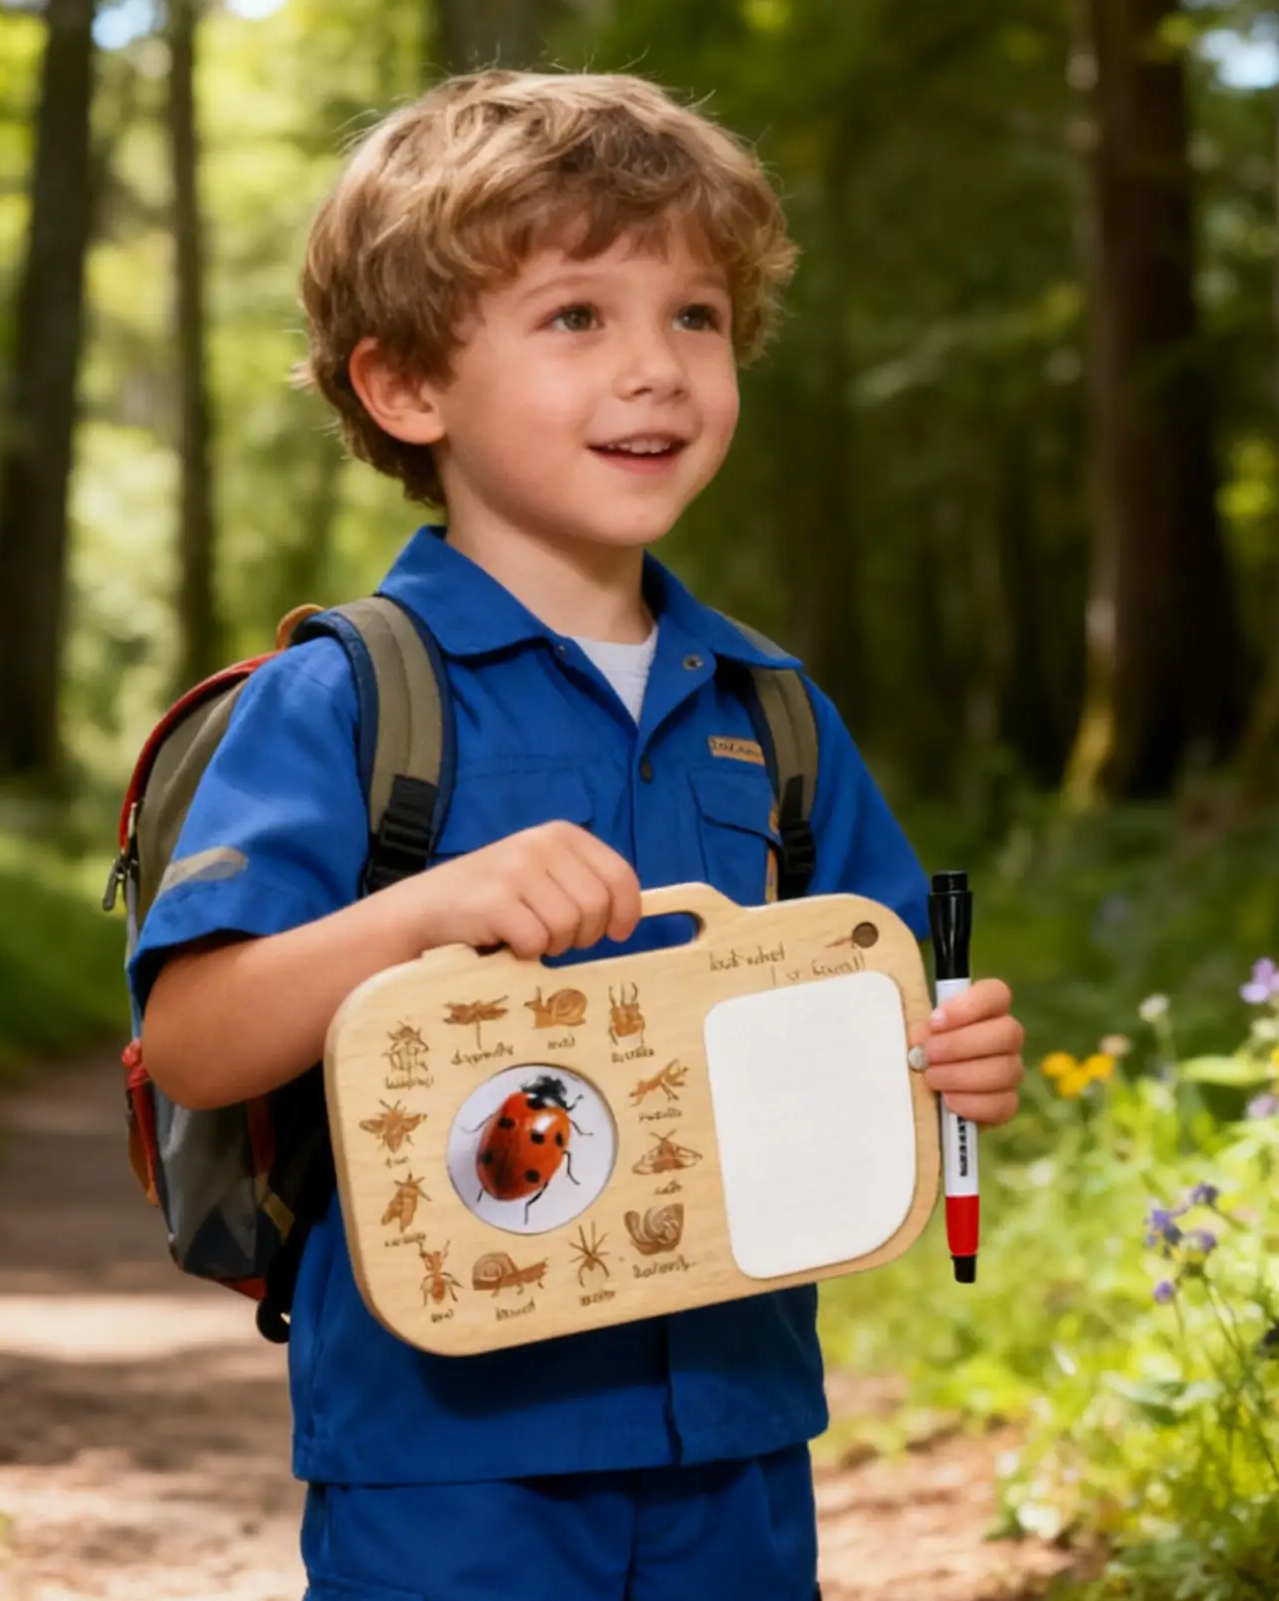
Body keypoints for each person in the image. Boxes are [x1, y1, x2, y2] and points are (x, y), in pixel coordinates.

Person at [132, 68, 1026, 1601]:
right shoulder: (344, 701)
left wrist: (949, 1058)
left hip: (737, 1436)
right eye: (575, 319)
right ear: (407, 387)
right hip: (445, 1453)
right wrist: (425, 916)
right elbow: (197, 1043)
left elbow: (872, 1005)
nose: (659, 370)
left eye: (696, 317)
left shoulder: (775, 710)